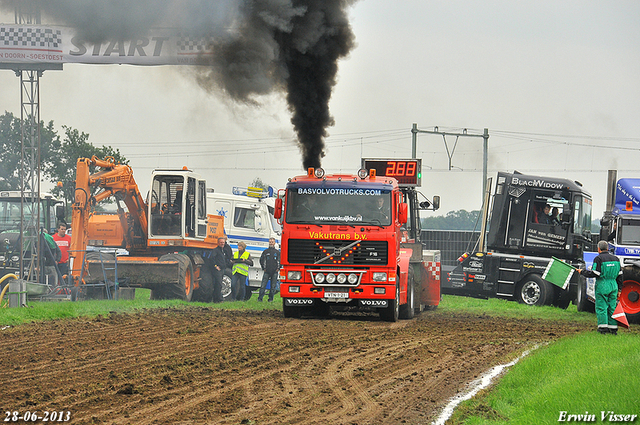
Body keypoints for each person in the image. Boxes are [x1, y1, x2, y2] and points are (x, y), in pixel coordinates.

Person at [576, 240, 623, 335]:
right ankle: (613, 329)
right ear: (608, 248)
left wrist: (582, 272)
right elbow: (620, 275)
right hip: (613, 285)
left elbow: (595, 273)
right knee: (612, 307)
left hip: (603, 285)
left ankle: (602, 328)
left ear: (598, 249)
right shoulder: (616, 259)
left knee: (602, 307)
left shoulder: (598, 259)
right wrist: (620, 289)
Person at [207, 236, 231, 302]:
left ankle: (215, 299)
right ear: (218, 243)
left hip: (223, 269)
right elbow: (212, 259)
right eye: (221, 242)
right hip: (218, 270)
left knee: (218, 284)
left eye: (223, 242)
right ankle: (219, 299)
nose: (222, 243)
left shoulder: (223, 250)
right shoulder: (215, 250)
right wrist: (216, 266)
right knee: (219, 284)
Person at [258, 238, 280, 302]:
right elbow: (261, 260)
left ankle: (270, 299)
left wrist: (278, 268)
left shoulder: (277, 252)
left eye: (272, 242)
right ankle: (260, 299)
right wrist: (263, 268)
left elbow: (280, 261)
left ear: (274, 243)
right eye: (270, 242)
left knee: (273, 287)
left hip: (275, 272)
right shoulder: (265, 251)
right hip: (266, 271)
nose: (271, 243)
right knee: (263, 286)